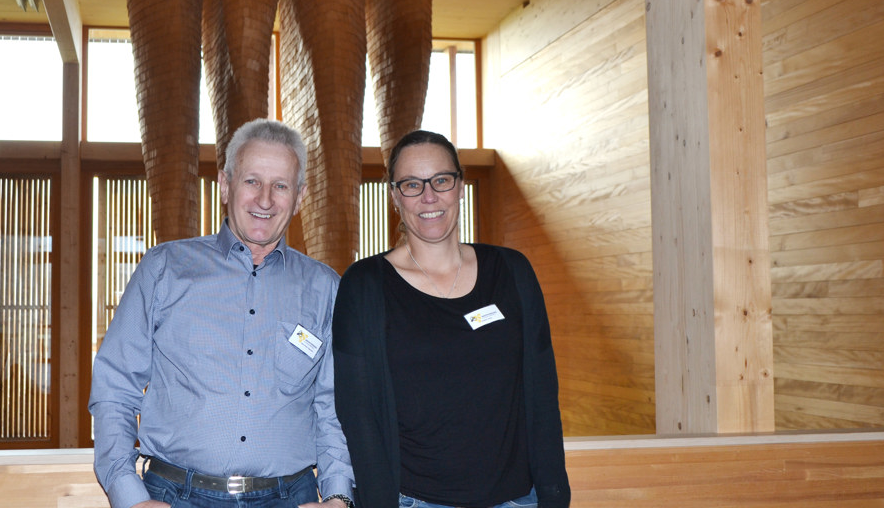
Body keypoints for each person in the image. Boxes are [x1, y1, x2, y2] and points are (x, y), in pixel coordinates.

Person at [90, 118, 355, 508]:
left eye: (280, 186)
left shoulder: (326, 289)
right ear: (225, 186)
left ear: (299, 197)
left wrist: (336, 496)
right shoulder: (165, 269)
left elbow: (333, 407)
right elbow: (115, 387)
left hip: (290, 498)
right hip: (172, 496)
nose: (265, 200)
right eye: (252, 181)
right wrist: (127, 494)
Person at [332, 130, 570, 508]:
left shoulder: (512, 271)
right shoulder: (364, 286)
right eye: (412, 184)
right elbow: (358, 416)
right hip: (415, 500)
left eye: (441, 180)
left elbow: (542, 392)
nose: (429, 196)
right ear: (395, 196)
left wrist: (554, 495)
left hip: (516, 500)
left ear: (459, 186)